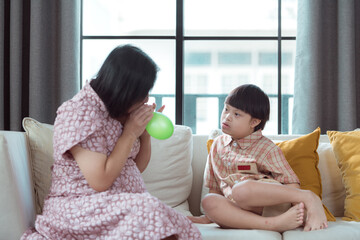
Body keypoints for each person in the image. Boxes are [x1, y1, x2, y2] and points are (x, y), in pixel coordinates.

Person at [21, 45, 201, 240]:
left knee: (176, 223)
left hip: (116, 204)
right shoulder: (81, 112)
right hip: (79, 206)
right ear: (126, 90)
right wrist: (130, 133)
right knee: (149, 210)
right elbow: (100, 181)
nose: (147, 99)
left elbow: (135, 167)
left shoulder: (118, 113)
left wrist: (144, 134)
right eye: (143, 92)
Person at [188, 84, 328, 232]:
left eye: (237, 114)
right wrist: (209, 216)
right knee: (209, 201)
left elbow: (290, 182)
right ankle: (273, 224)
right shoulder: (217, 145)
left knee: (241, 190)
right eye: (226, 109)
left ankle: (309, 197)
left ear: (254, 122)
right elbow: (215, 188)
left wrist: (304, 210)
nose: (227, 117)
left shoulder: (266, 148)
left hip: (269, 204)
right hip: (239, 211)